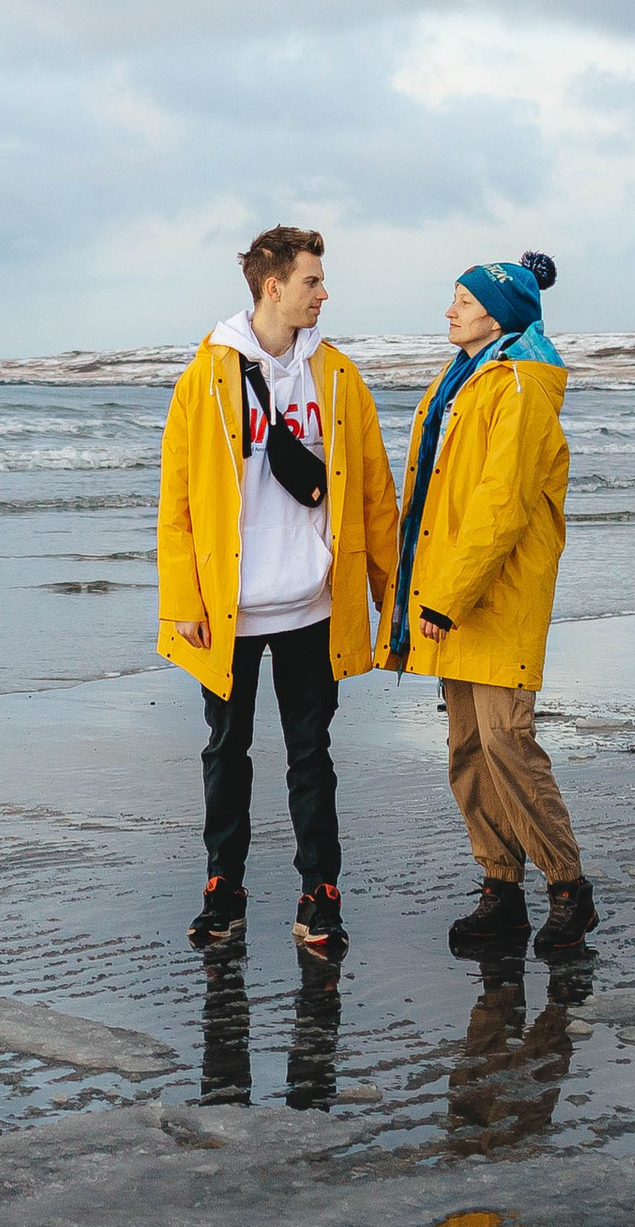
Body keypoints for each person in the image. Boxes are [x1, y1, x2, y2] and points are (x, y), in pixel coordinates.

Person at [157, 225, 399, 958]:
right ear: (273, 287)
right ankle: (222, 890)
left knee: (311, 754)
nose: (324, 293)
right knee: (226, 752)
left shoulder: (340, 378)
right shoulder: (206, 376)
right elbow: (178, 500)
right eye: (312, 282)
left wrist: (390, 599)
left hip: (314, 604)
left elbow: (376, 496)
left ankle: (318, 893)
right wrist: (183, 603)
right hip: (230, 609)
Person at [384, 252, 599, 958]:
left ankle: (567, 887)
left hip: (493, 594)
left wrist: (445, 595)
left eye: (464, 303)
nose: (450, 312)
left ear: (499, 315)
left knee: (509, 742)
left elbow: (501, 502)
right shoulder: (463, 382)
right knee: (468, 747)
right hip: (452, 594)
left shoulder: (521, 387)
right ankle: (499, 887)